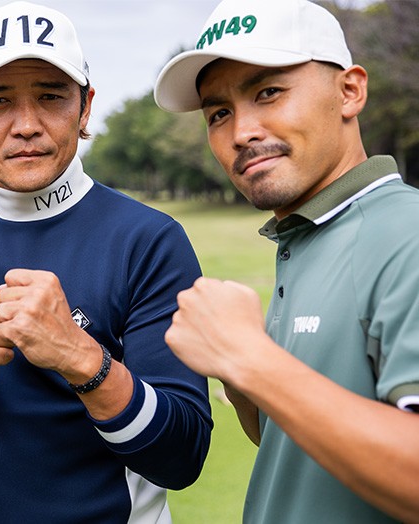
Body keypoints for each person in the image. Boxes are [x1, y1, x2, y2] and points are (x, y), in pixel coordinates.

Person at [0, 2, 212, 522]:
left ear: (85, 106)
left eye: (51, 97)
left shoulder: (150, 239)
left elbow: (181, 458)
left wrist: (79, 357)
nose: (26, 125)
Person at [154, 0, 419, 522]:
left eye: (268, 92)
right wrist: (239, 374)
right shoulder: (308, 238)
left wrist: (249, 356)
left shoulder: (406, 234)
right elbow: (290, 446)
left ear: (350, 91)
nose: (241, 133)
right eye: (219, 113)